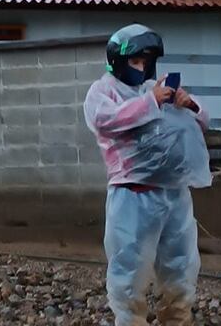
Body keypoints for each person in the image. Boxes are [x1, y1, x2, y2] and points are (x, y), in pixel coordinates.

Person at [84, 24, 211, 326]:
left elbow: (203, 122)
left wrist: (188, 104)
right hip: (133, 196)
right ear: (118, 61)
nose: (141, 68)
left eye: (146, 62)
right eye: (135, 61)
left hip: (174, 194)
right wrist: (151, 101)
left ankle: (177, 318)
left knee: (181, 266)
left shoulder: (152, 88)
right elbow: (105, 121)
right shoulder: (103, 91)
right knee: (129, 272)